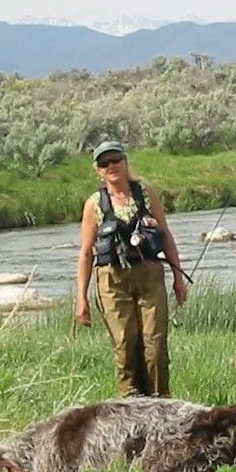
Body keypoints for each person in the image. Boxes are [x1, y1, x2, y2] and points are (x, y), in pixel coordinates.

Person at [76, 140, 189, 396]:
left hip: (150, 275)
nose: (111, 166)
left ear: (125, 162)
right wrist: (81, 298)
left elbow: (166, 234)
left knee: (155, 346)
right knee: (125, 345)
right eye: (104, 163)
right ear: (98, 170)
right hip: (112, 281)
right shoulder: (94, 203)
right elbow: (85, 253)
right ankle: (130, 406)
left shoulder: (146, 192)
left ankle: (161, 405)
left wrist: (178, 279)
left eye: (116, 160)